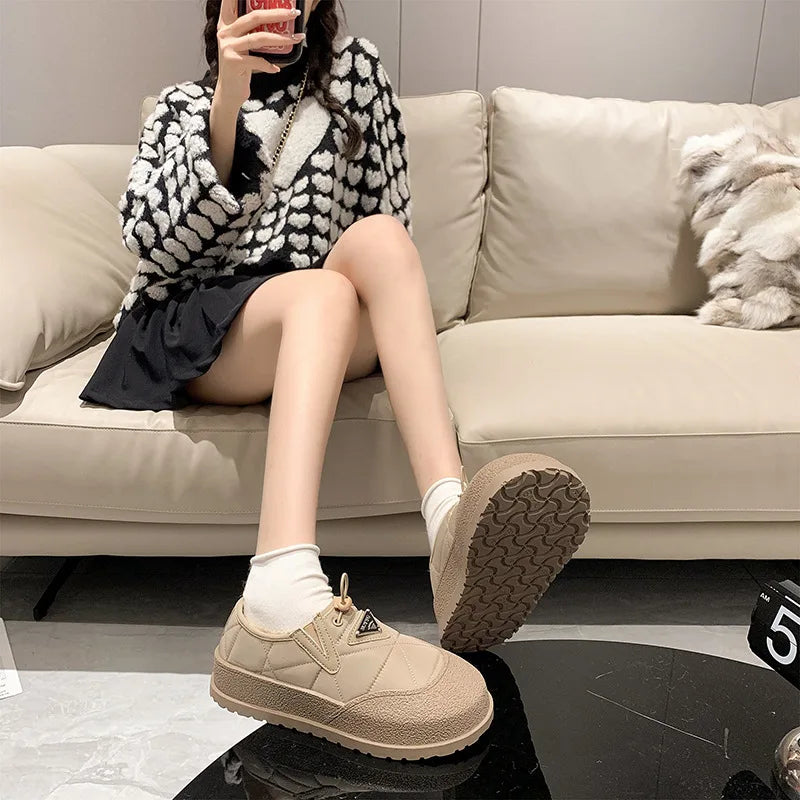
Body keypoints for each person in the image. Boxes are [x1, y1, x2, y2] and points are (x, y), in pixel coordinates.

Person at [79, 0, 591, 759]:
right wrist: (227, 99)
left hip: (320, 312)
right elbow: (156, 247)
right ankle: (278, 592)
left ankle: (450, 527)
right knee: (319, 293)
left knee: (378, 241)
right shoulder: (182, 105)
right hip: (200, 324)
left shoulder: (357, 75)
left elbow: (389, 226)